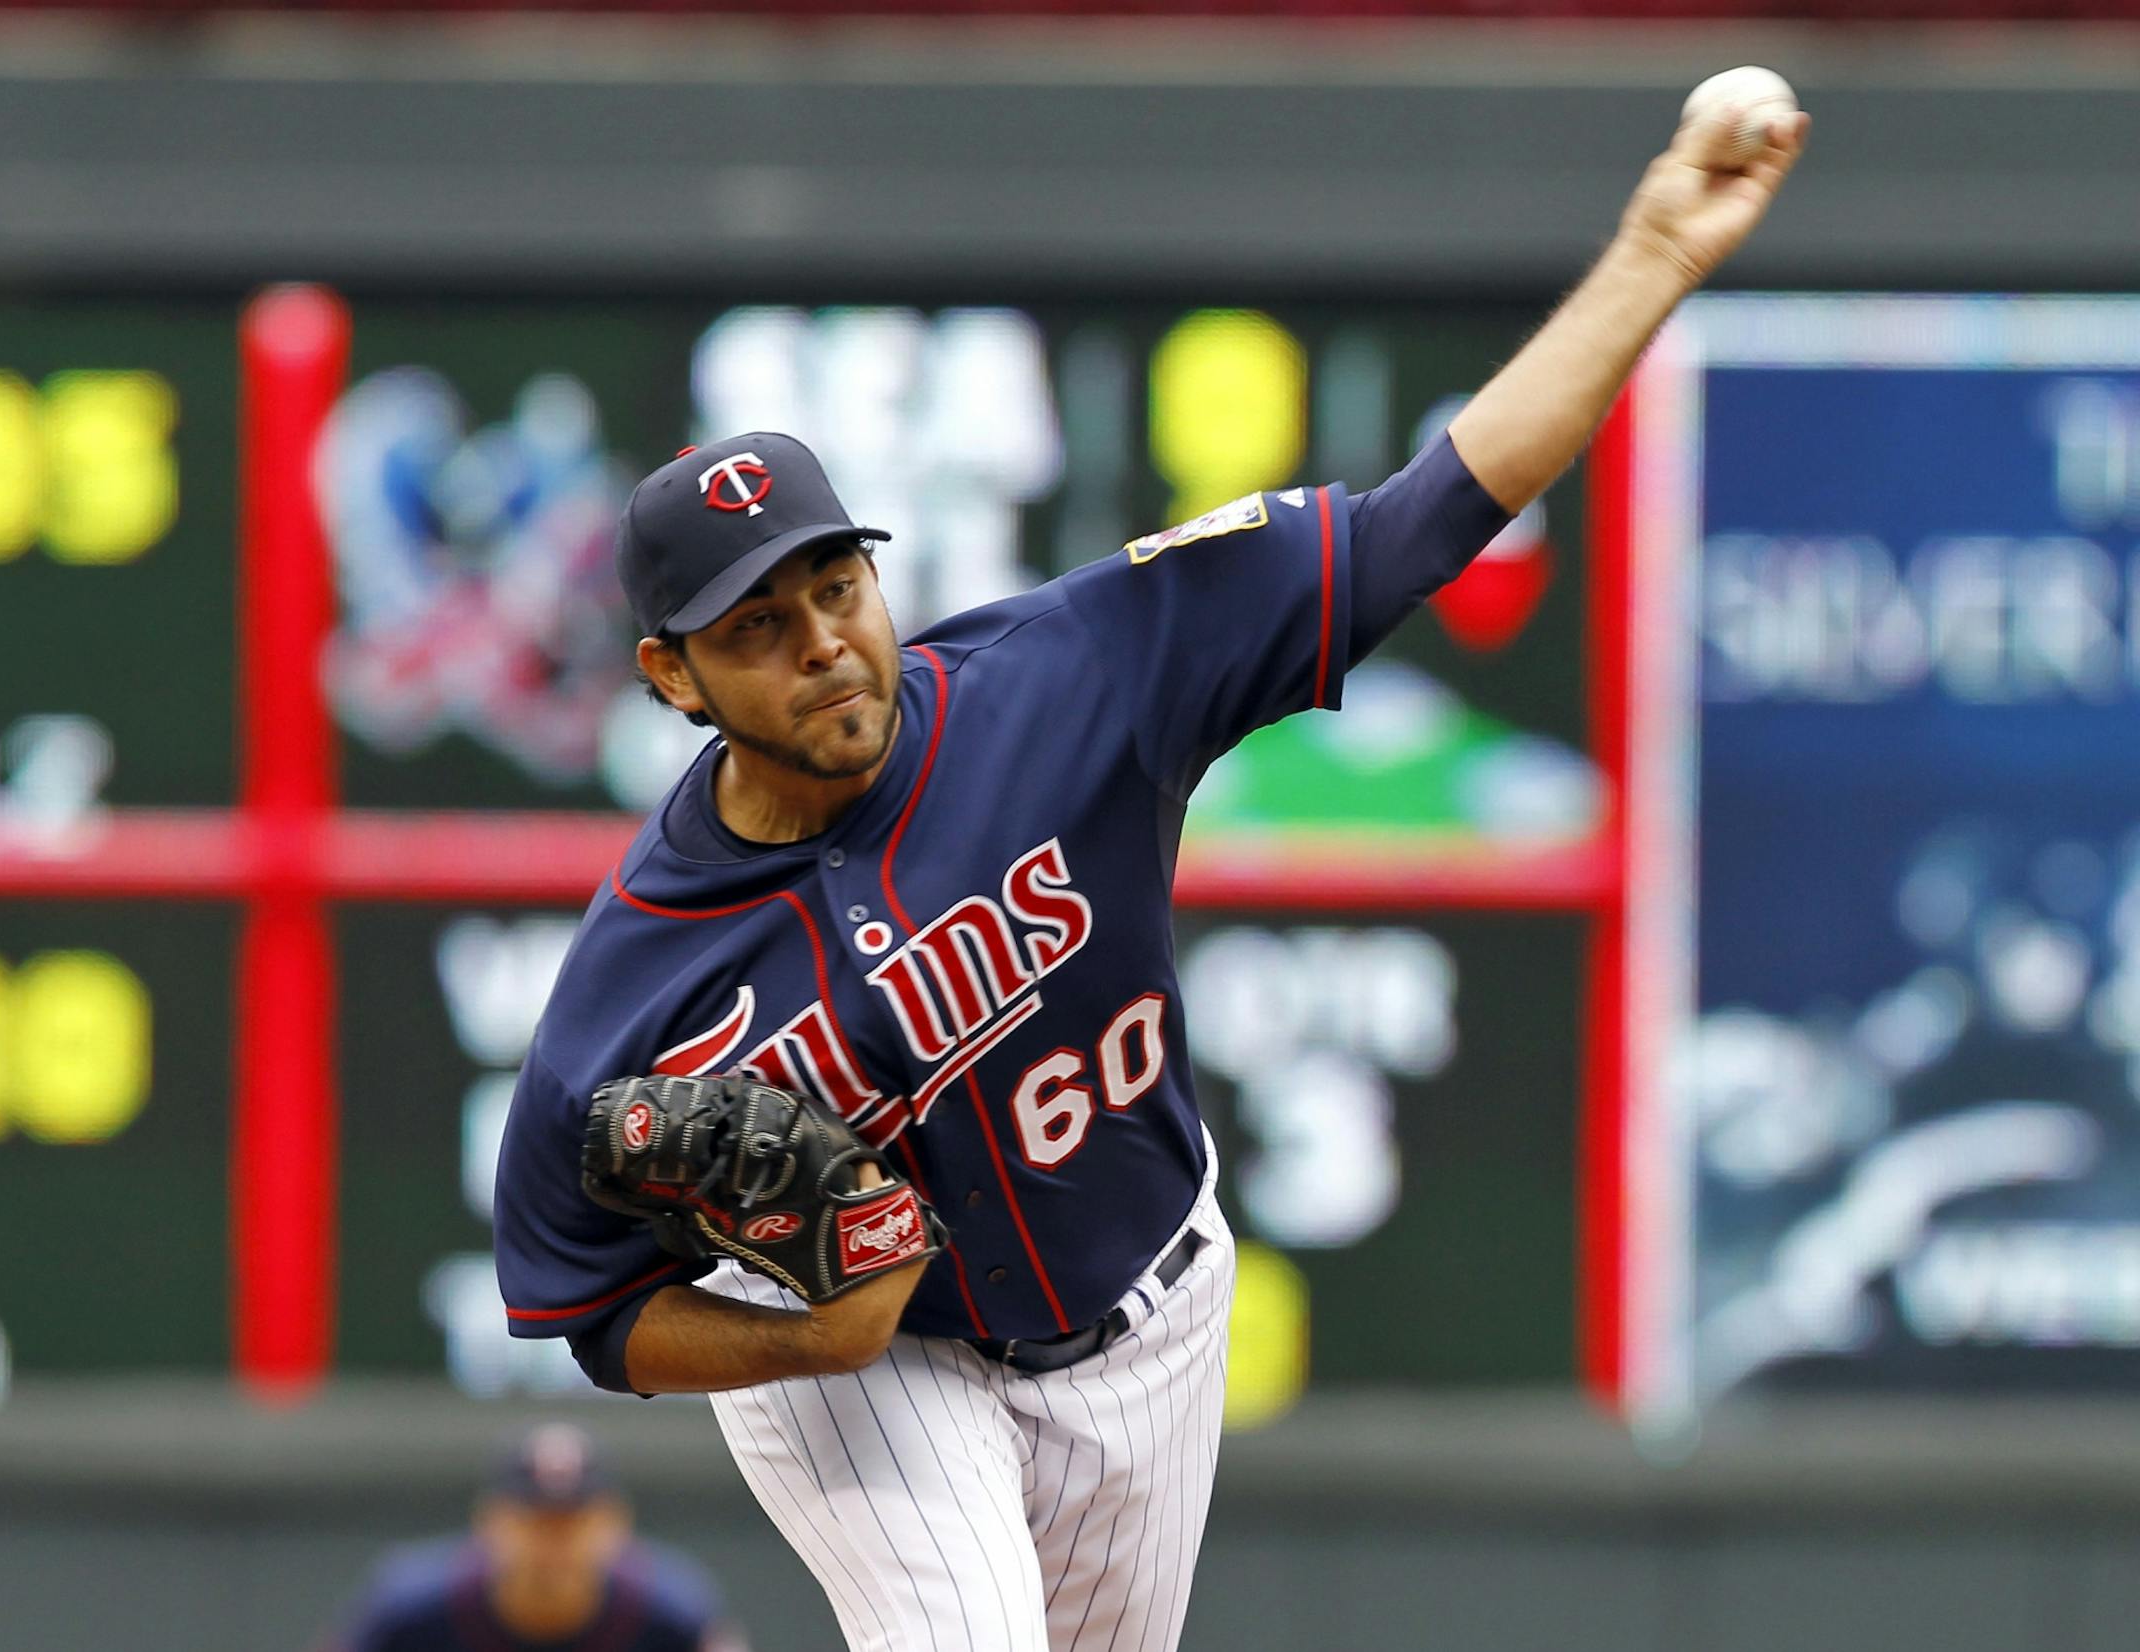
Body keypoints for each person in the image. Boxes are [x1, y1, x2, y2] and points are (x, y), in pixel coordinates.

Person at [493, 103, 1807, 1652]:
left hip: (1156, 1317)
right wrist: (810, 1341)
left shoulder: (1072, 675)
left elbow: (1423, 519)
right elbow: (588, 1311)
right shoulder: (632, 990)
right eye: (755, 628)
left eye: (834, 585)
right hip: (885, 1369)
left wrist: (1654, 253)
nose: (823, 641)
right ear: (671, 674)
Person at [321, 1424, 747, 1652]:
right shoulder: (411, 1609)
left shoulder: (670, 1612)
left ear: (615, 1523)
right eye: (536, 1518)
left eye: (573, 1519)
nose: (554, 1539)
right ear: (491, 1521)